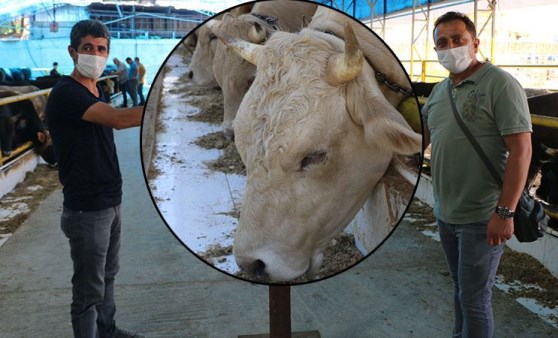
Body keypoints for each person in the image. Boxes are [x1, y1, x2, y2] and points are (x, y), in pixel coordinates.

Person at [421, 12, 532, 338]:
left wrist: (505, 211)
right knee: (461, 291)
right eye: (442, 43)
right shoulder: (439, 93)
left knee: (474, 298)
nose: (450, 47)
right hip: (446, 213)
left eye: (458, 39)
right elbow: (424, 140)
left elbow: (522, 151)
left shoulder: (500, 84)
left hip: (483, 217)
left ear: (475, 43)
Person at [45, 19, 144, 338]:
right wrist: (161, 105)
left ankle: (107, 330)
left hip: (110, 199)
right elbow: (116, 119)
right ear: (73, 51)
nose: (96, 55)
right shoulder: (66, 93)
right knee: (88, 289)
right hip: (86, 208)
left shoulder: (97, 87)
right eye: (88, 48)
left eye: (102, 49)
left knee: (108, 275)